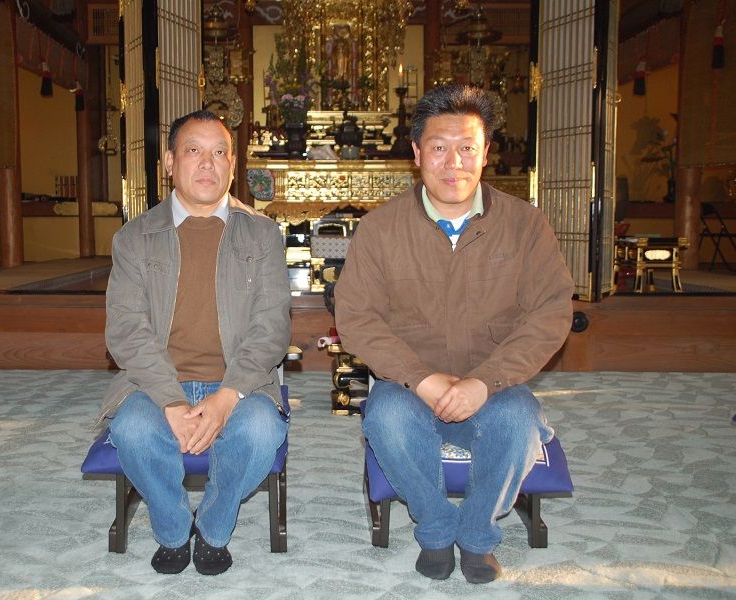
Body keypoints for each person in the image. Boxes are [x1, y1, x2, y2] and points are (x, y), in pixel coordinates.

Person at [334, 84, 573, 584]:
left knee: (519, 420)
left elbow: (550, 313)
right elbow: (356, 317)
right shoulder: (381, 229)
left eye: (467, 147)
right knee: (384, 417)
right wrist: (422, 379)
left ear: (486, 153)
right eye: (439, 147)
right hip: (409, 387)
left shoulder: (525, 226)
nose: (454, 163)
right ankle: (437, 529)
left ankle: (478, 535)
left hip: (494, 387)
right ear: (417, 153)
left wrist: (484, 382)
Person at [97, 110, 292, 576]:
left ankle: (213, 528)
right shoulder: (135, 237)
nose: (208, 163)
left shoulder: (262, 234)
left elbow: (272, 328)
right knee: (133, 429)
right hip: (156, 385)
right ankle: (172, 528)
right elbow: (126, 330)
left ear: (233, 165)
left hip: (238, 385)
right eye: (193, 151)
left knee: (261, 430)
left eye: (219, 152)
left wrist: (226, 397)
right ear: (169, 162)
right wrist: (170, 400)